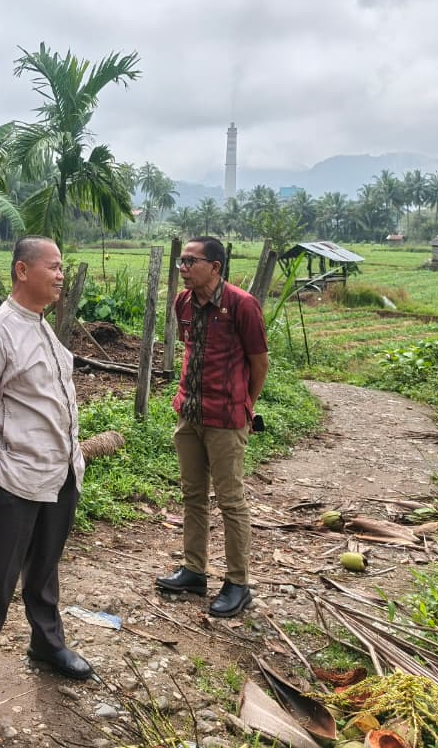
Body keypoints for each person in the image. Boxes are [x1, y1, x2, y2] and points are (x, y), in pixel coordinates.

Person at [0, 236, 91, 739]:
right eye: (53, 266)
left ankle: (46, 643)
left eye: (62, 266)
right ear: (22, 271)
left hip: (59, 473)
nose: (60, 274)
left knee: (44, 567)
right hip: (14, 479)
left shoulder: (44, 329)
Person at [156, 236, 269, 618]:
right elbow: (191, 347)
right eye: (181, 262)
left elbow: (259, 363)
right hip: (190, 413)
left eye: (191, 261)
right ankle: (194, 570)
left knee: (231, 500)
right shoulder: (183, 303)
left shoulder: (242, 305)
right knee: (193, 495)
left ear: (216, 267)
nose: (184, 268)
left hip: (226, 418)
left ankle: (238, 583)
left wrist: (245, 404)